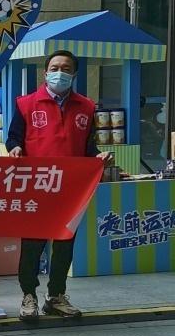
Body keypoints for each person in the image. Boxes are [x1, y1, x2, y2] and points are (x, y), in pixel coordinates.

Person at [7, 50, 112, 321]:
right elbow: (13, 137)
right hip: (37, 187)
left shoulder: (86, 107)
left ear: (74, 74)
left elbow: (88, 147)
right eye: (54, 68)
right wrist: (15, 148)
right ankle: (28, 295)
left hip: (70, 190)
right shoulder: (26, 104)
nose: (60, 73)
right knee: (33, 243)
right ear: (45, 72)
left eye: (66, 68)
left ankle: (55, 296)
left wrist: (98, 156)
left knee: (64, 244)